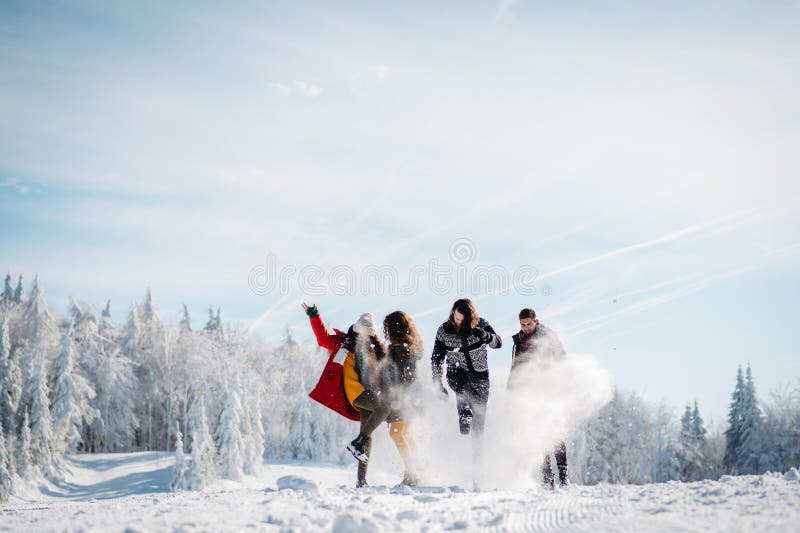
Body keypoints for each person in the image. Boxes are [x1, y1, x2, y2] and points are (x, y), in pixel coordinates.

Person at [303, 303, 390, 488]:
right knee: (384, 407)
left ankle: (361, 480)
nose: (363, 338)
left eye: (367, 335)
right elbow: (322, 338)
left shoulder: (375, 350)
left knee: (367, 434)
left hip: (370, 393)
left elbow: (383, 372)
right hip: (356, 393)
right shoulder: (343, 344)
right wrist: (314, 316)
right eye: (360, 334)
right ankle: (358, 442)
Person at [431, 298, 502, 458]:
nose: (458, 323)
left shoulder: (481, 324)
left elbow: (498, 343)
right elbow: (436, 357)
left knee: (478, 425)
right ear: (453, 313)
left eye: (462, 321)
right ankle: (463, 411)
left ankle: (477, 463)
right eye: (456, 319)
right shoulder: (444, 330)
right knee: (459, 378)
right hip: (456, 373)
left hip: (480, 378)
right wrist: (437, 382)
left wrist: (485, 336)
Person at [508, 307, 569, 488]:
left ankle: (564, 476)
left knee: (554, 432)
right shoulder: (518, 342)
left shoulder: (548, 337)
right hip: (529, 394)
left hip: (549, 390)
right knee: (536, 434)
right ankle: (547, 477)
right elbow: (515, 368)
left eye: (528, 324)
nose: (526, 327)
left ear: (536, 321)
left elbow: (562, 359)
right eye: (522, 325)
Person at [382, 310, 424, 487]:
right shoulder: (409, 346)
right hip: (411, 397)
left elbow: (405, 376)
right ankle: (416, 470)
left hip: (403, 398)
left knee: (397, 433)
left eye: (387, 328)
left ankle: (412, 473)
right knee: (406, 433)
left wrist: (398, 398)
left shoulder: (401, 348)